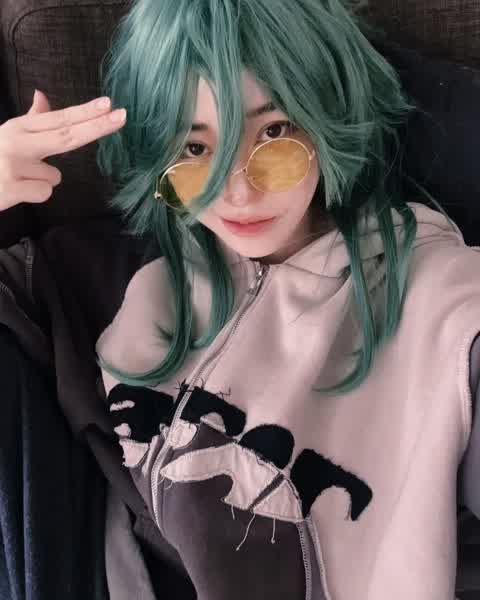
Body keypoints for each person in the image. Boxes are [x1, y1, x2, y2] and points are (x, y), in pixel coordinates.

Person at [1, 0, 480, 599]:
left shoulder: (440, 293)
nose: (239, 192)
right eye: (194, 149)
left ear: (328, 117)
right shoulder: (102, 272)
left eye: (274, 132)